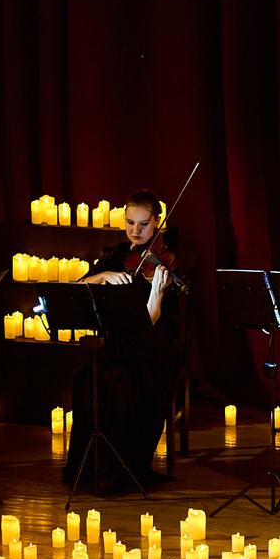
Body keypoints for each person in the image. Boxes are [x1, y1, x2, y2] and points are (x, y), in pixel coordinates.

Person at [63, 190, 182, 493]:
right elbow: (79, 286)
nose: (135, 231)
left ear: (157, 222)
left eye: (144, 224)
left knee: (120, 384)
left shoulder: (163, 263)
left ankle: (118, 470)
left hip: (150, 352)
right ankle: (90, 466)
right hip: (115, 346)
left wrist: (157, 292)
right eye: (130, 223)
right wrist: (103, 276)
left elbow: (149, 321)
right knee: (85, 379)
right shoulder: (116, 255)